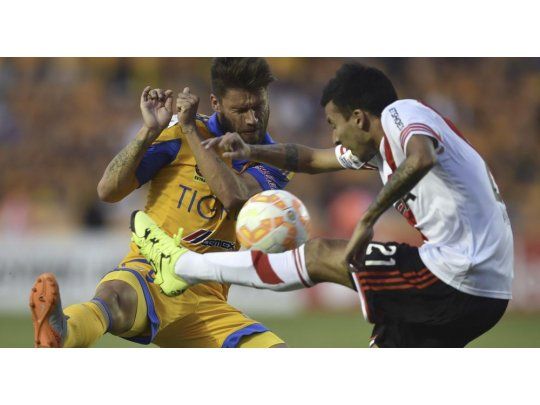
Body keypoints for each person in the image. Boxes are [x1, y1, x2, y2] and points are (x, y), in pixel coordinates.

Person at [130, 62, 514, 347]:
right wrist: (251, 150)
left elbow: (421, 158)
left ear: (358, 118)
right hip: (483, 293)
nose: (334, 137)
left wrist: (368, 217)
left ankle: (181, 266)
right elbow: (311, 159)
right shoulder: (378, 150)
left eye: (334, 124)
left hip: (459, 271)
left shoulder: (402, 113)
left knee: (319, 255)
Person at [29, 58, 292, 348]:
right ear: (216, 103)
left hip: (208, 299)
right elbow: (108, 191)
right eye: (240, 110)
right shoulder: (177, 135)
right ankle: (63, 333)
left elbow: (234, 197)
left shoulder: (275, 157)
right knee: (114, 297)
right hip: (150, 273)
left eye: (259, 107)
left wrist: (190, 131)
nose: (252, 119)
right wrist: (149, 131)